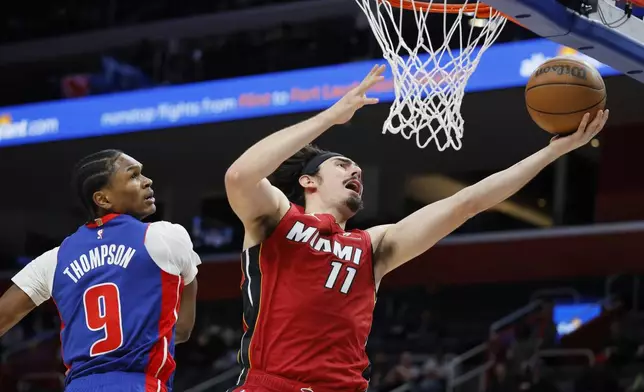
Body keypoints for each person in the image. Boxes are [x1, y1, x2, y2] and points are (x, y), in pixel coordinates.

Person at [224, 64, 609, 392]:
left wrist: (553, 151)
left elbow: (467, 203)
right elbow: (240, 174)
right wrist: (331, 116)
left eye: (355, 167)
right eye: (341, 164)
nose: (355, 169)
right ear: (309, 181)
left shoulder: (373, 245)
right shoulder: (276, 219)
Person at [0, 150, 202, 392]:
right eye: (134, 176)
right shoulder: (167, 236)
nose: (147, 181)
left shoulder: (54, 259)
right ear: (103, 199)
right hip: (138, 384)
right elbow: (183, 329)